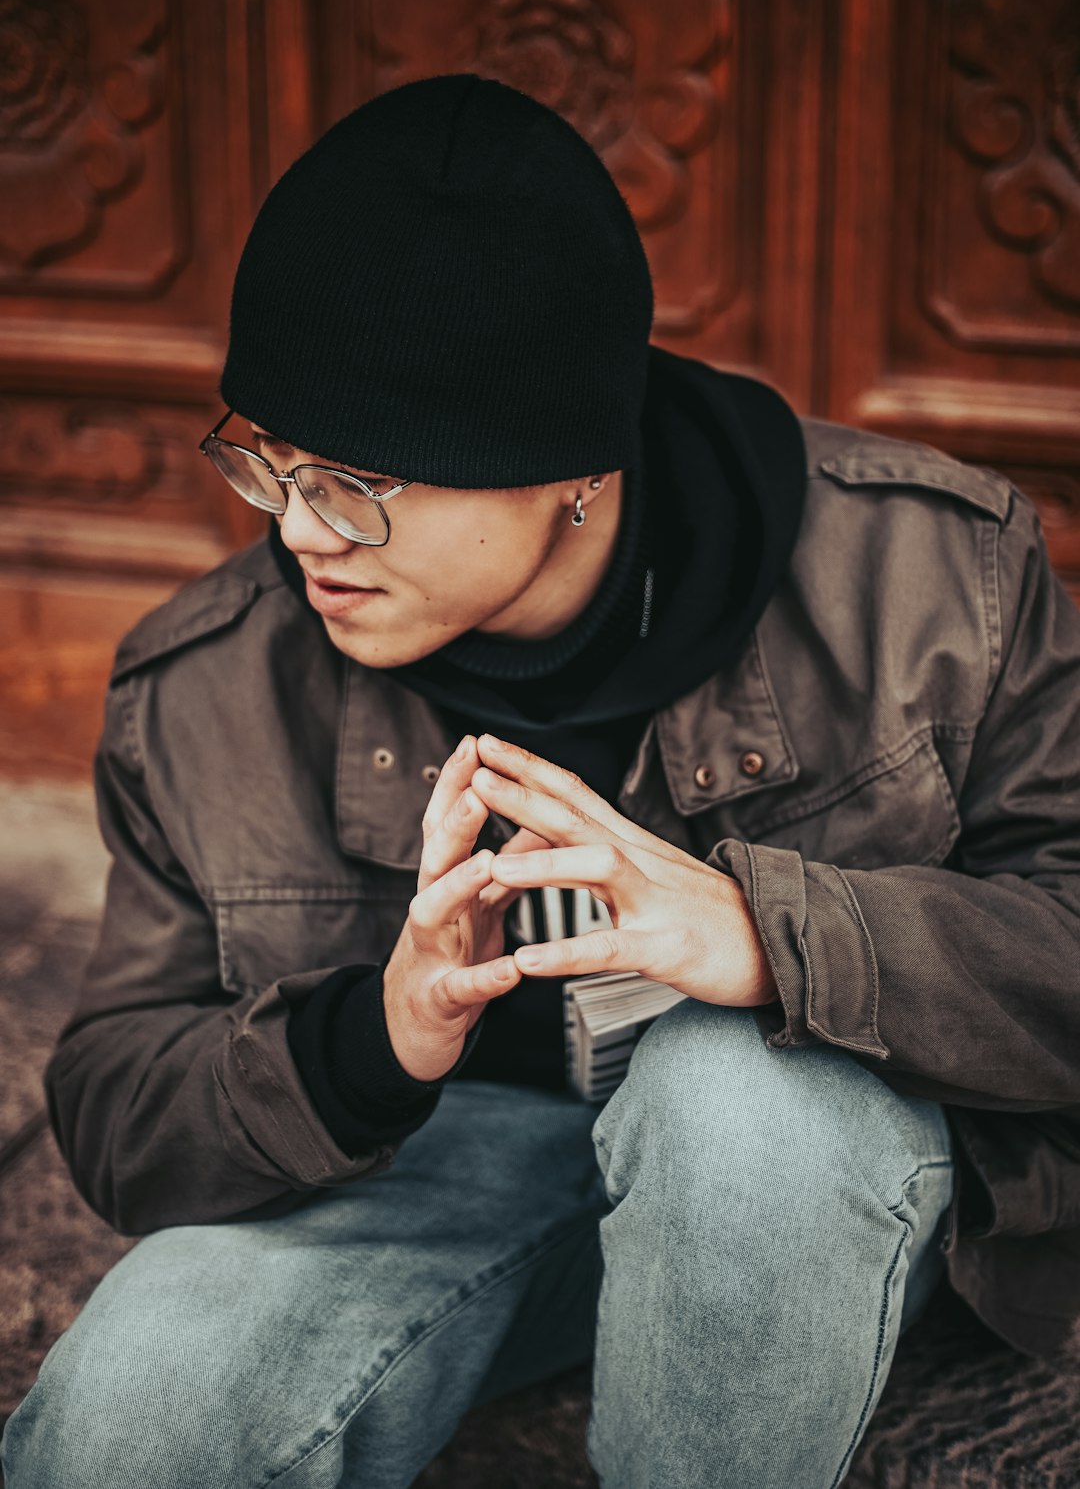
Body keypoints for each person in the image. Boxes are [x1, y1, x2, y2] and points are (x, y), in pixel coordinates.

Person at [3, 72, 1079, 1489]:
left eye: (358, 480)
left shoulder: (942, 578)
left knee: (732, 1095)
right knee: (133, 1411)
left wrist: (774, 939)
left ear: (566, 464)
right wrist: (368, 1043)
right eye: (268, 463)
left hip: (799, 1168)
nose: (303, 533)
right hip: (440, 1169)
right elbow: (116, 1105)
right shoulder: (200, 684)